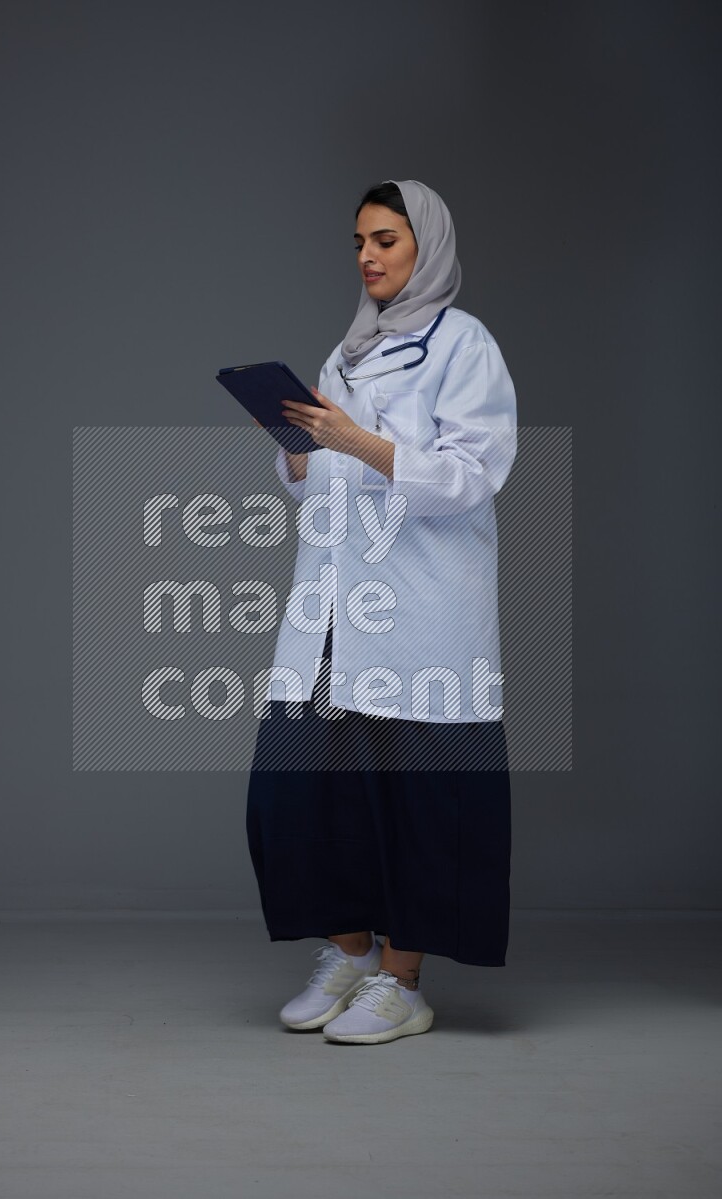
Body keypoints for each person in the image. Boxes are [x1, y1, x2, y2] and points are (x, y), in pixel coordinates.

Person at [246, 178, 517, 1045]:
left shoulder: (464, 346)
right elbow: (324, 484)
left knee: (421, 800)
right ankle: (352, 957)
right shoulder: (348, 354)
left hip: (423, 610)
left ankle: (403, 983)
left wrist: (352, 440)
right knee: (302, 792)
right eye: (360, 240)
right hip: (332, 609)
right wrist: (295, 451)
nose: (367, 255)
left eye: (387, 239)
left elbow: (474, 474)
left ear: (424, 245)